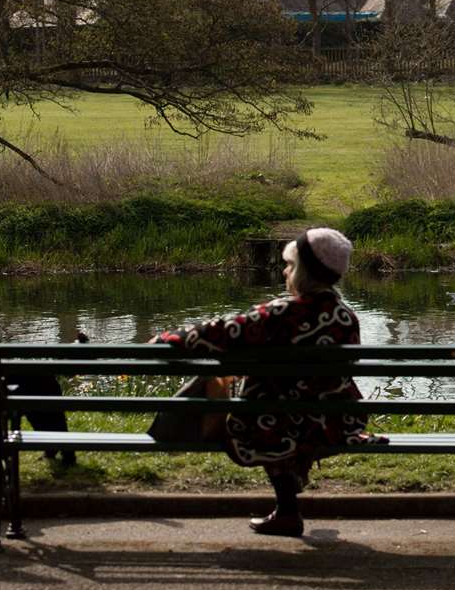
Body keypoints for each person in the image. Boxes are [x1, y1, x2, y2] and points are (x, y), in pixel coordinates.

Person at [155, 227, 365, 538]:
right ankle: (289, 500)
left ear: (306, 271)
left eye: (290, 264)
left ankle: (288, 509)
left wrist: (168, 339)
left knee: (261, 413)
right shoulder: (347, 317)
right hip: (335, 421)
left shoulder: (282, 313)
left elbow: (223, 330)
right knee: (279, 408)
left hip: (274, 424)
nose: (285, 270)